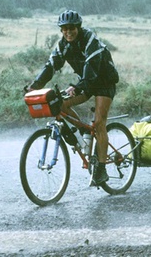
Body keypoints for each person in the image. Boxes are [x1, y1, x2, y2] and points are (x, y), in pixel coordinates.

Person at [27, 10, 119, 186]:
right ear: (61, 30)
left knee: (99, 123)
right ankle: (84, 132)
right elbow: (50, 66)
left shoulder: (89, 39)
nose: (68, 32)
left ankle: (101, 169)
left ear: (78, 27)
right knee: (59, 104)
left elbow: (91, 69)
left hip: (104, 82)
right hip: (86, 81)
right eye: (64, 29)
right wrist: (35, 86)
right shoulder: (63, 45)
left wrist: (77, 87)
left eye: (72, 28)